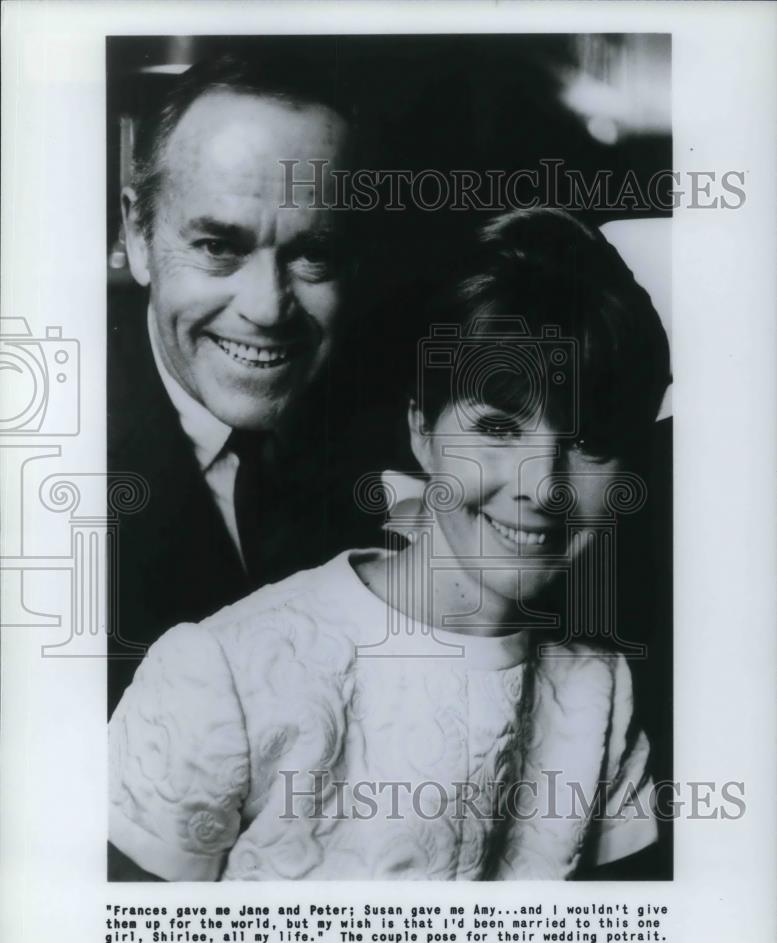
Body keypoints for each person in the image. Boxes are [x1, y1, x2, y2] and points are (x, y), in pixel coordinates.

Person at [108, 207, 671, 881]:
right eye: (496, 429)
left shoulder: (597, 693)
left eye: (586, 444)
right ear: (421, 431)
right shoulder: (221, 671)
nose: (541, 488)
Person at [108, 52, 380, 715]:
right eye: (218, 247)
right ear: (138, 235)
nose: (266, 307)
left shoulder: (389, 443)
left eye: (312, 254)